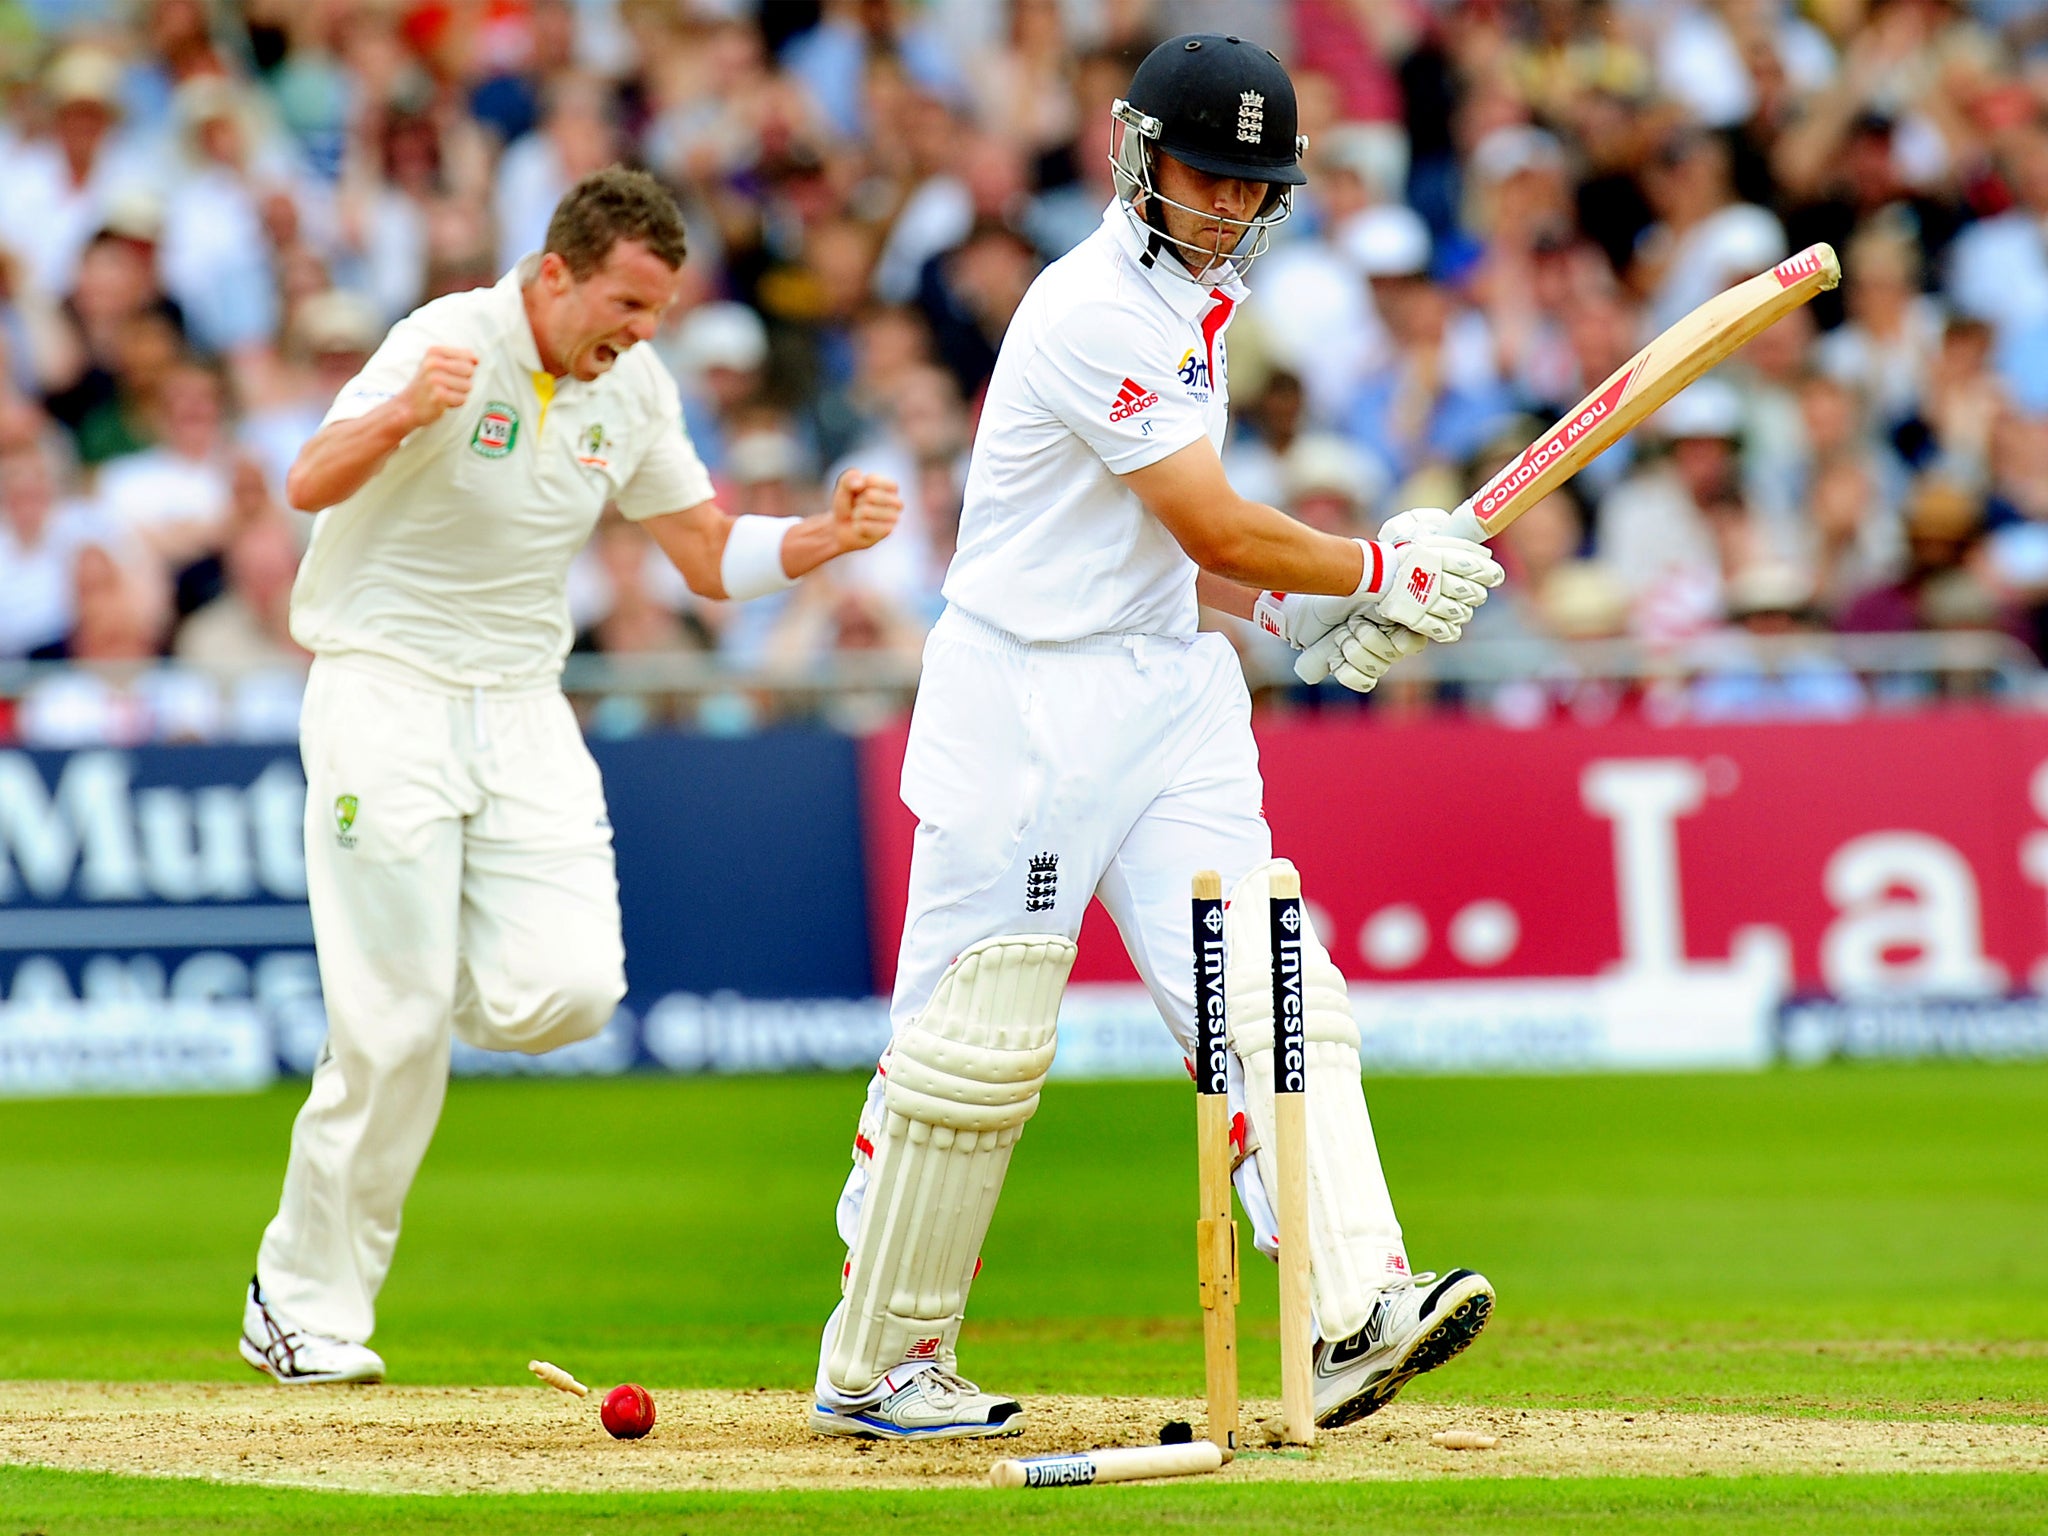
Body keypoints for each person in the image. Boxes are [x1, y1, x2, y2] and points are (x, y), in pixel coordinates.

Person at [807, 35, 1500, 1442]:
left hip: (1165, 686)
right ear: (1136, 157)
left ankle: (1350, 1308)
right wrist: (1369, 576)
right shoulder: (1092, 310)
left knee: (1267, 977)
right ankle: (878, 1365)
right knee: (974, 1042)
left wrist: (1279, 620)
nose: (1230, 206)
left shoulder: (1202, 304)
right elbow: (1204, 517)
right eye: (1207, 175)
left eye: (1255, 186)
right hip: (1026, 708)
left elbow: (1166, 552)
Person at [240, 167, 902, 1385]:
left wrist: (824, 538)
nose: (642, 335)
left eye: (656, 314)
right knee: (384, 1030)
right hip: (381, 685)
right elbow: (308, 480)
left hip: (521, 705)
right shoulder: (445, 338)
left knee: (572, 991)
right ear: (555, 275)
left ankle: (410, 988)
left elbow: (703, 553)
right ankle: (299, 1307)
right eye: (627, 306)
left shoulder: (632, 389)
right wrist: (397, 418)